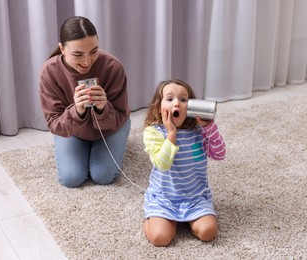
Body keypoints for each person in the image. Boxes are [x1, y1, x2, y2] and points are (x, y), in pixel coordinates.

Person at [39, 16, 131, 188]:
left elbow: (120, 114)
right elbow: (54, 124)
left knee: (103, 176)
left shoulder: (112, 66)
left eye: (94, 51)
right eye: (78, 54)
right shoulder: (49, 72)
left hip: (112, 127)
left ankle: (99, 148)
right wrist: (77, 110)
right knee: (71, 178)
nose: (87, 61)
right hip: (73, 131)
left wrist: (103, 108)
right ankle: (86, 148)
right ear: (62, 49)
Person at [142, 79, 226, 246]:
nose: (177, 104)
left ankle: (190, 221)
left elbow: (219, 154)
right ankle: (151, 218)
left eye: (183, 99)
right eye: (170, 99)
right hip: (164, 198)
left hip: (195, 197)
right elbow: (162, 164)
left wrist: (209, 128)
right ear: (159, 108)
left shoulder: (198, 131)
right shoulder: (153, 133)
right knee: (160, 238)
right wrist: (171, 134)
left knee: (208, 232)